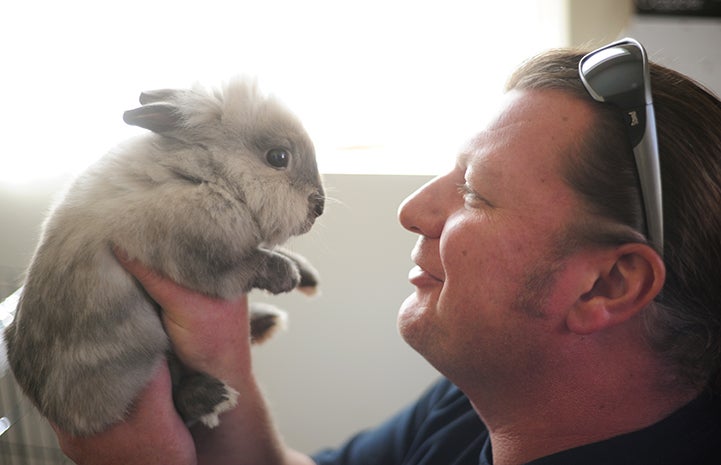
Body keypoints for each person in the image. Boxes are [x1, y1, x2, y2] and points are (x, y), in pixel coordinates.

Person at [54, 39, 721, 464]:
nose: (412, 211)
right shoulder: (480, 397)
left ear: (606, 285)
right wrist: (224, 357)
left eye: (472, 191)